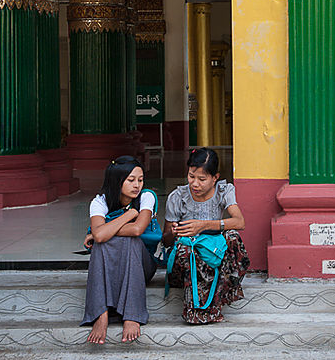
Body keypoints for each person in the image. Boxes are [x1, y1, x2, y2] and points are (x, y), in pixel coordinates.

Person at [163, 147, 250, 324]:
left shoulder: (223, 191)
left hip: (213, 253)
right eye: (191, 177)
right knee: (184, 248)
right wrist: (172, 233)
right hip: (188, 261)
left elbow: (240, 222)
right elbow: (165, 241)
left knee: (232, 237)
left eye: (202, 179)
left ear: (215, 178)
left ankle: (221, 296)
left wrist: (203, 226)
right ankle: (195, 309)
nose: (195, 184)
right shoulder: (177, 197)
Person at [81, 156, 157, 344]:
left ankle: (132, 314)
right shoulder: (99, 202)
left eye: (140, 180)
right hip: (111, 266)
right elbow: (99, 237)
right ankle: (101, 314)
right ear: (117, 181)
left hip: (142, 265)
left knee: (131, 241)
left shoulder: (147, 197)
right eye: (131, 180)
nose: (137, 185)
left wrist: (105, 230)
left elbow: (138, 229)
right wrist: (130, 214)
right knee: (100, 244)